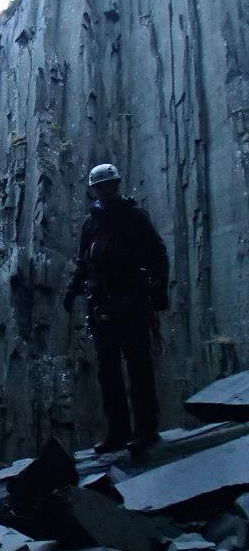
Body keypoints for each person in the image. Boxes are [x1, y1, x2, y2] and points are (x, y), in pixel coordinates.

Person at [63, 163, 169, 454]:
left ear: (116, 186)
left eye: (109, 185)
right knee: (108, 372)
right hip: (102, 305)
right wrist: (73, 289)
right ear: (94, 190)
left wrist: (159, 291)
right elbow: (85, 261)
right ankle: (118, 432)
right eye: (100, 186)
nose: (105, 190)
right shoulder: (91, 223)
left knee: (139, 368)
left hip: (132, 302)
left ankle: (145, 430)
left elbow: (157, 253)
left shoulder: (135, 218)